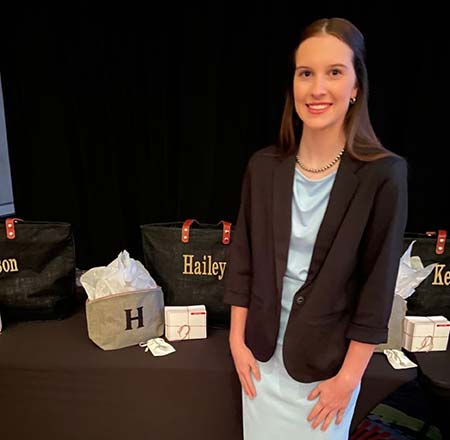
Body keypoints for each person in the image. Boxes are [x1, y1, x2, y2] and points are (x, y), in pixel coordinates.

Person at [223, 17, 408, 439]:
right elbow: (244, 260)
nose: (318, 88)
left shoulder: (384, 175)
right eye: (306, 73)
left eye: (334, 72)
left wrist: (348, 380)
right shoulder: (263, 167)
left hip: (327, 371)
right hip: (260, 359)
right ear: (293, 84)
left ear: (356, 85)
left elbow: (376, 290)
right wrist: (237, 343)